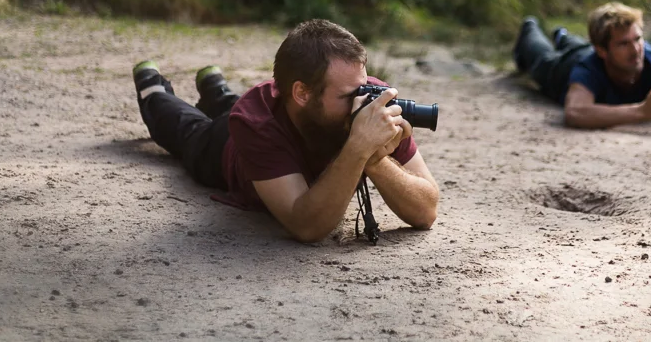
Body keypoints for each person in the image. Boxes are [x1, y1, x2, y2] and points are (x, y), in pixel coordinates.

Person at [131, 19, 439, 243]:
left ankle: (215, 88)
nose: (362, 101)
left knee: (228, 103)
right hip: (227, 146)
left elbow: (426, 211)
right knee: (191, 132)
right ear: (303, 93)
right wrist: (359, 148)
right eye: (348, 95)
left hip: (282, 112)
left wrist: (373, 158)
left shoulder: (370, 101)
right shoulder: (255, 122)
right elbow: (306, 225)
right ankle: (154, 90)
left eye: (364, 86)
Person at [513, 2, 651, 129]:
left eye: (638, 39)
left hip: (588, 47)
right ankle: (530, 26)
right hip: (562, 66)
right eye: (623, 44)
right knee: (536, 52)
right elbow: (575, 112)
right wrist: (641, 111)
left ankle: (562, 35)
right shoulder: (588, 68)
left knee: (569, 39)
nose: (636, 49)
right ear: (602, 50)